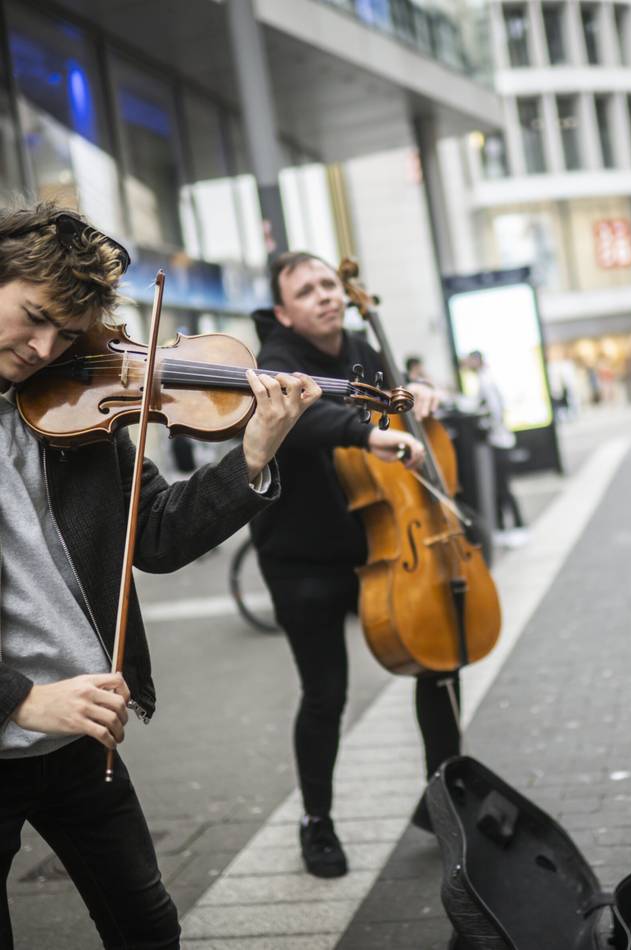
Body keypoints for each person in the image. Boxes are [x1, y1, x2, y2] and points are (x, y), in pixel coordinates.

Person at [0, 203, 320, 949]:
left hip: (84, 731)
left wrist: (252, 456)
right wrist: (21, 699)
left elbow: (158, 534)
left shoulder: (70, 405)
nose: (45, 348)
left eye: (66, 333)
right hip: (24, 711)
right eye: (33, 316)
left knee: (148, 930)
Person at [249, 252, 459, 879]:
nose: (324, 295)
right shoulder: (273, 360)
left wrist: (416, 397)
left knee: (437, 659)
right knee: (325, 692)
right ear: (285, 310)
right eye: (307, 289)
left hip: (384, 541)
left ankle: (444, 798)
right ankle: (317, 820)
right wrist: (368, 432)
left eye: (329, 285)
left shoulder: (365, 347)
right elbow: (307, 418)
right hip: (302, 554)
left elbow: (401, 409)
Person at [463, 350, 527, 547]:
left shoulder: (487, 381)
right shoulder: (484, 379)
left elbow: (494, 411)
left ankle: (518, 527)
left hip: (499, 441)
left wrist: (485, 424)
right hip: (498, 440)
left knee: (503, 488)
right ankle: (505, 529)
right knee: (500, 488)